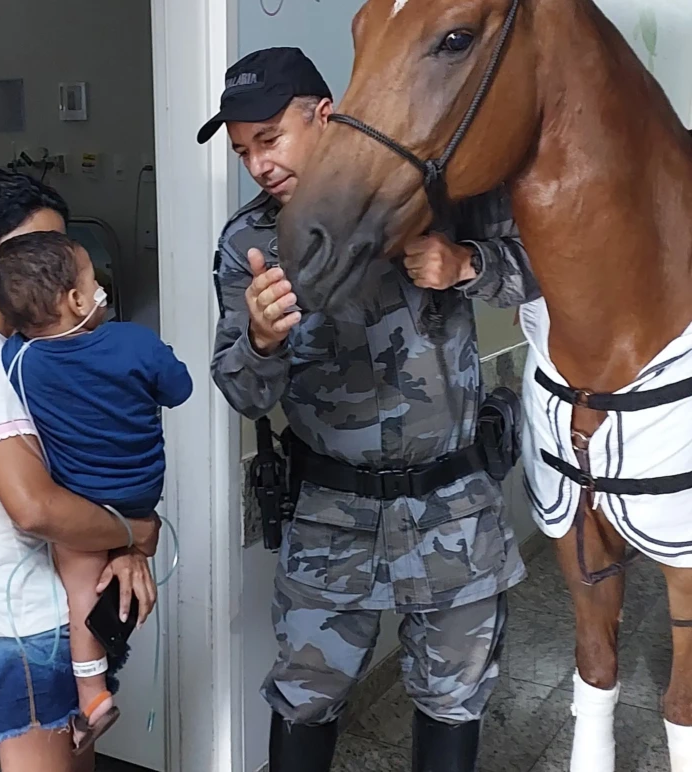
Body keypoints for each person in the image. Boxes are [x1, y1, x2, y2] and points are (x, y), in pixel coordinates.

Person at [200, 47, 541, 772]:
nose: (258, 165)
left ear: (323, 117)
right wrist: (260, 341)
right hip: (332, 519)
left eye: (270, 139)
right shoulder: (248, 243)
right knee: (305, 697)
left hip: (453, 512)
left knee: (454, 698)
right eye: (242, 152)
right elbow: (241, 390)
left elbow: (551, 265)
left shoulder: (441, 200)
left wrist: (468, 264)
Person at [0, 168, 160, 772]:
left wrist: (124, 544)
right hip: (28, 624)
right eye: (30, 246)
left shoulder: (33, 351)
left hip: (61, 610)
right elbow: (35, 508)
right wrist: (135, 532)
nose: (45, 266)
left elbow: (89, 464)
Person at [0, 230, 192, 750]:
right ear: (78, 300)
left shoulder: (18, 358)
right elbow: (181, 388)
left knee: (82, 594)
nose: (101, 287)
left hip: (80, 503)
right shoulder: (136, 343)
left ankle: (94, 697)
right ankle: (117, 633)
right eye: (92, 278)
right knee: (115, 581)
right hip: (140, 495)